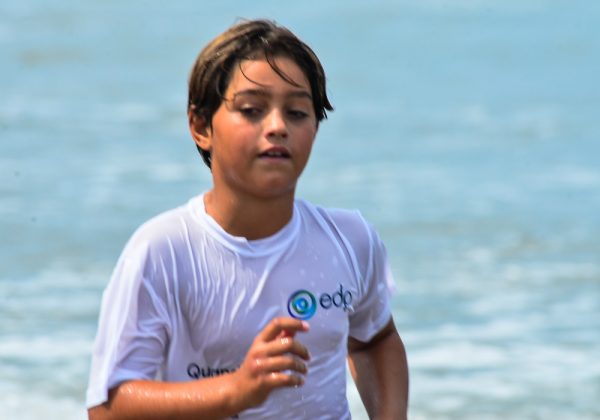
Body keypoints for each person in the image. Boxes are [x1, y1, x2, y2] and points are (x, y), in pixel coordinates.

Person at [86, 19, 409, 420]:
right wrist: (236, 390)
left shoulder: (349, 239)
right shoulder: (163, 250)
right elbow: (108, 406)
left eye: (296, 112)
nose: (277, 127)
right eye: (252, 110)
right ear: (201, 126)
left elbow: (375, 339)